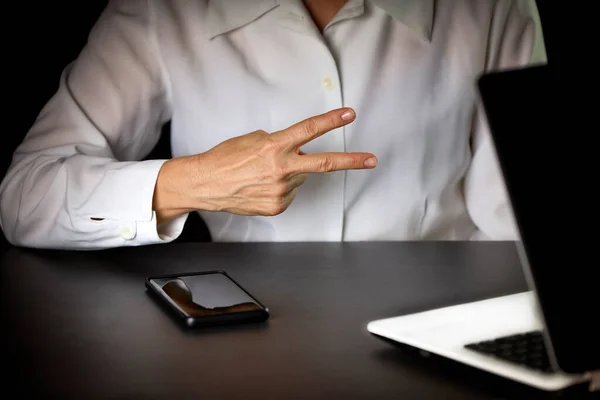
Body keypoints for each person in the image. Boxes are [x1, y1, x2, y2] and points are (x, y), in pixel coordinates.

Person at [0, 0, 547, 250]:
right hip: (239, 352)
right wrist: (192, 182)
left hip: (440, 349)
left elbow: (517, 228)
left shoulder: (493, 10)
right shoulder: (160, 11)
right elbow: (26, 198)